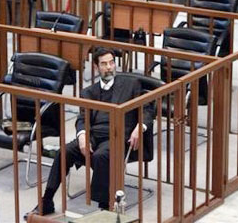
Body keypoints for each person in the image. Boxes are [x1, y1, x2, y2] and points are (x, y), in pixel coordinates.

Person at [24, 47, 154, 218]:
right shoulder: (88, 92)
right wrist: (82, 135)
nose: (109, 67)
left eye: (111, 63)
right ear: (96, 67)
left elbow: (147, 108)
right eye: (104, 64)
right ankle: (47, 200)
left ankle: (104, 207)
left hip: (117, 136)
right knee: (64, 152)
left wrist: (140, 127)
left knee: (101, 156)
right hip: (93, 135)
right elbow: (82, 118)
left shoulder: (131, 84)